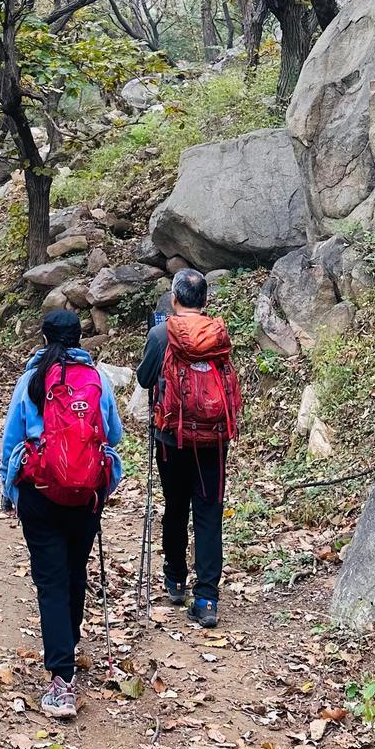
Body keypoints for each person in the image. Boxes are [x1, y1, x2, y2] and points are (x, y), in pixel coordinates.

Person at [0, 308, 124, 721]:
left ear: (44, 335)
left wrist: (7, 489)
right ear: (79, 339)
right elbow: (115, 435)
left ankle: (62, 679)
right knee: (74, 572)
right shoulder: (98, 381)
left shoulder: (32, 380)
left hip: (39, 491)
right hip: (86, 493)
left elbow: (13, 439)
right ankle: (66, 645)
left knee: (50, 581)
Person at [136, 268, 241, 630]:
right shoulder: (217, 333)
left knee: (176, 507)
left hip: (172, 438)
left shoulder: (160, 332)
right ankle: (207, 598)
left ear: (174, 299)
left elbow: (144, 379)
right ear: (205, 301)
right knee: (209, 514)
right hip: (214, 439)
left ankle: (176, 581)